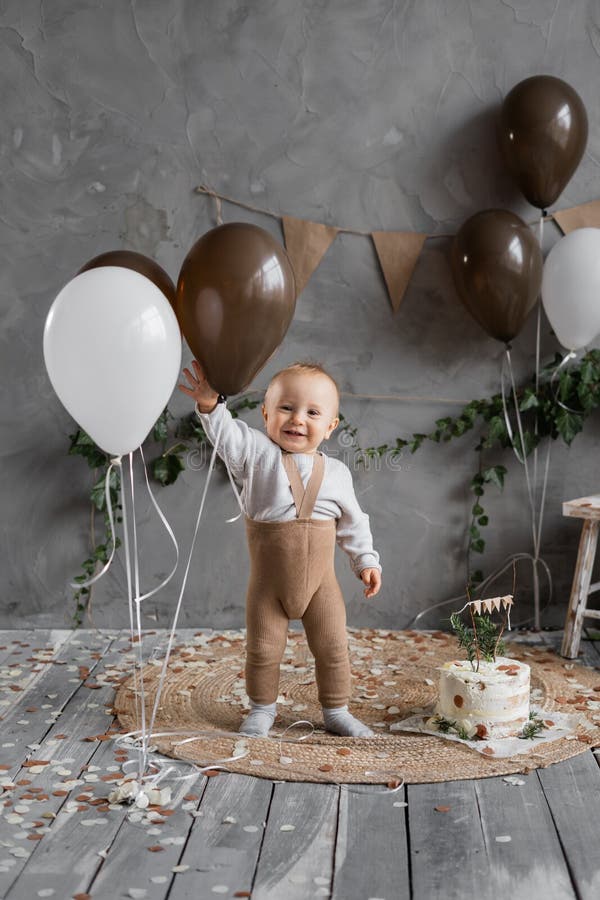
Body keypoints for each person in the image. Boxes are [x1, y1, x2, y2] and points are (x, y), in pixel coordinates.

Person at [179, 359, 382, 738]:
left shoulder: (337, 473)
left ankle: (337, 710)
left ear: (331, 426)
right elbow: (227, 436)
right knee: (262, 649)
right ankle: (261, 709)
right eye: (286, 408)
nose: (297, 419)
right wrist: (211, 406)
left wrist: (365, 561)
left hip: (322, 586)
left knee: (334, 647)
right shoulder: (255, 454)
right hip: (268, 588)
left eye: (312, 412)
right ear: (266, 413)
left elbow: (355, 522)